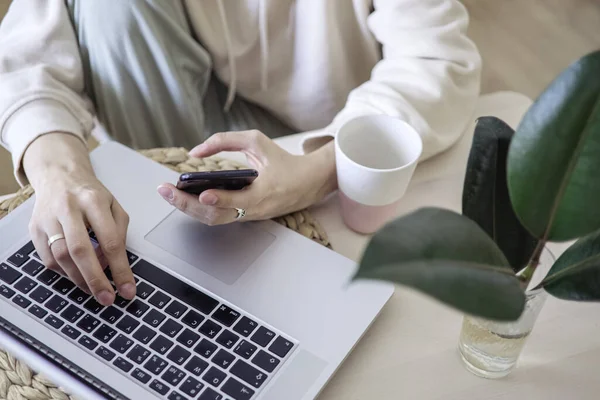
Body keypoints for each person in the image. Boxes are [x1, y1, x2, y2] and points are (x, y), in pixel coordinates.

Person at [0, 0, 481, 307]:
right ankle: (173, 233)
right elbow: (24, 59)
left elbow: (439, 60)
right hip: (167, 118)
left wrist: (317, 171)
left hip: (318, 129)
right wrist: (59, 171)